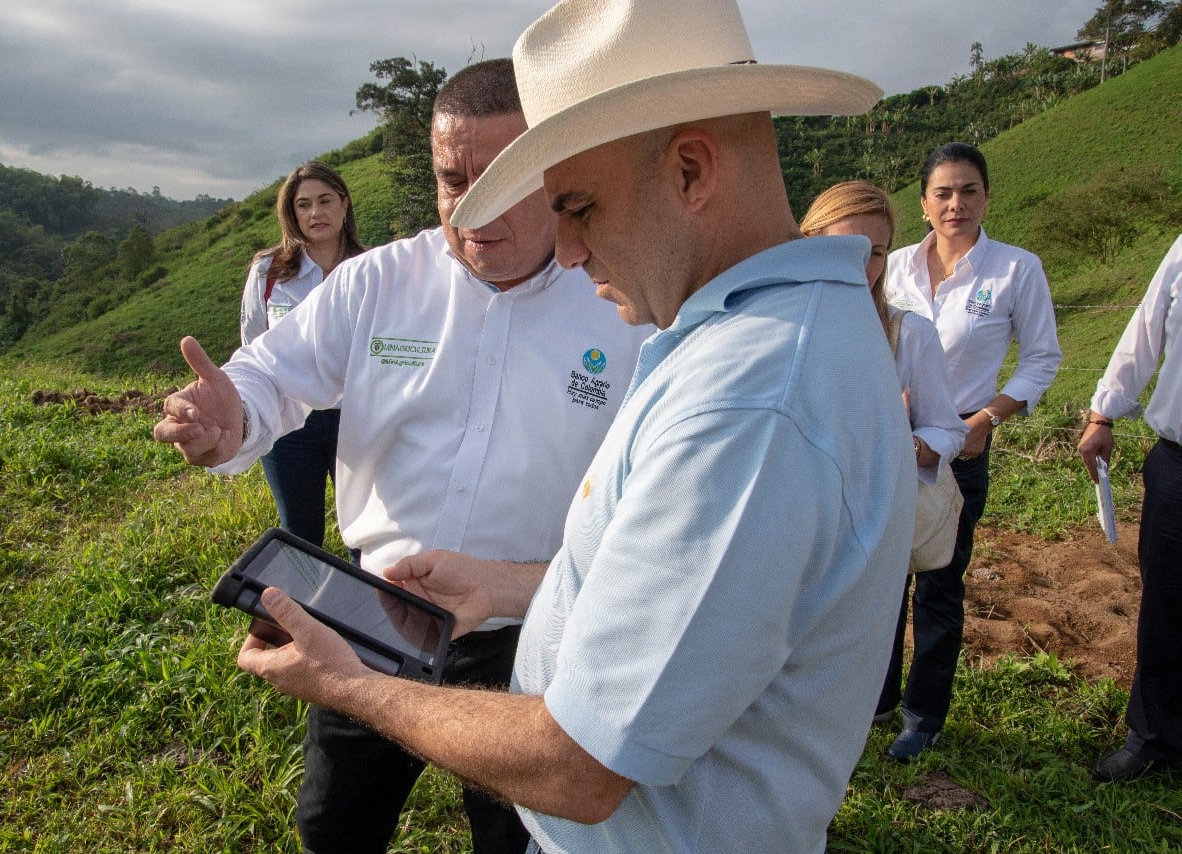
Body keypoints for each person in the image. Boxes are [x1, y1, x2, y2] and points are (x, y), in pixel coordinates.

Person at [225, 1, 917, 851]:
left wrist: (349, 684)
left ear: (692, 172)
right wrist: (512, 588)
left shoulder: (749, 404)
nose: (573, 250)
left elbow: (579, 769)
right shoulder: (767, 340)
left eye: (579, 205)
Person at [153, 59, 650, 854]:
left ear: (558, 173)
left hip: (536, 626)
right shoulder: (378, 281)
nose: (473, 210)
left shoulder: (623, 305)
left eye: (502, 180)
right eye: (453, 180)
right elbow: (272, 375)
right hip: (372, 614)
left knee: (518, 836)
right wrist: (228, 414)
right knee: (335, 822)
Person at [883, 142, 1062, 761]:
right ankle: (874, 699)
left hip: (958, 446)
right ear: (924, 203)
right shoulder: (895, 266)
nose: (956, 203)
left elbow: (1042, 358)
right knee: (878, 577)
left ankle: (922, 714)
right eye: (943, 192)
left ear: (987, 196)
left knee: (938, 576)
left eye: (969, 191)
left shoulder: (1014, 270)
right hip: (887, 445)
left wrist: (988, 417)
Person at [802, 181, 968, 727]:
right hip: (801, 513)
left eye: (876, 252)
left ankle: (875, 715)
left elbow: (947, 428)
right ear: (811, 241)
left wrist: (908, 441)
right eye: (846, 247)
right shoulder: (785, 329)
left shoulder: (907, 334)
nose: (863, 265)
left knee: (865, 628)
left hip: (873, 515)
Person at [1077, 234, 1182, 783]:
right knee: (1165, 603)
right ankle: (1154, 737)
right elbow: (1145, 331)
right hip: (1179, 465)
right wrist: (1103, 415)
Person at [239, 161, 365, 548]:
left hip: (360, 421)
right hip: (291, 423)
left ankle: (364, 609)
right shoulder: (269, 272)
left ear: (344, 205)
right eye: (303, 205)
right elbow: (253, 343)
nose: (316, 213)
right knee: (300, 534)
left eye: (325, 201)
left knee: (366, 536)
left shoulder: (373, 270)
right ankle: (302, 610)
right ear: (292, 215)